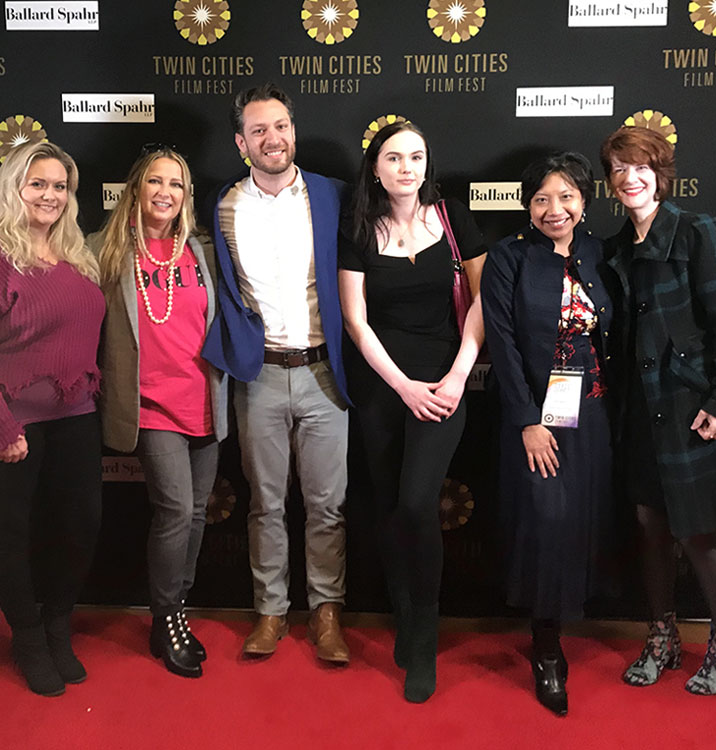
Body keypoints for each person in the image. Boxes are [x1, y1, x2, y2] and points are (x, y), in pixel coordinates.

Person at [600, 126, 716, 696]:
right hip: (640, 414)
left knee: (699, 535)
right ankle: (662, 637)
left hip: (692, 409)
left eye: (641, 167)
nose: (631, 178)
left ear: (660, 174)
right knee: (650, 528)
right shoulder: (617, 248)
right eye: (619, 169)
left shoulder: (699, 232)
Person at [0, 141, 105, 698]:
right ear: (14, 187)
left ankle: (58, 625)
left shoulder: (76, 254)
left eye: (60, 186)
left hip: (76, 414)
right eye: (38, 184)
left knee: (79, 525)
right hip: (11, 422)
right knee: (11, 535)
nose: (50, 195)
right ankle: (28, 637)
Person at [202, 83, 351, 663]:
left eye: (281, 126)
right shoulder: (222, 205)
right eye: (259, 129)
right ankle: (270, 611)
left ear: (294, 131)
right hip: (258, 375)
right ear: (242, 143)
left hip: (324, 372)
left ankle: (327, 611)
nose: (273, 138)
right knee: (265, 503)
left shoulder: (332, 195)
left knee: (327, 504)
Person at [338, 121, 486, 702]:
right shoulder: (358, 226)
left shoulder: (452, 218)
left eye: (417, 156)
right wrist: (402, 387)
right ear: (375, 168)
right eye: (394, 158)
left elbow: (481, 302)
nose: (407, 167)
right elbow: (356, 320)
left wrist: (458, 376)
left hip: (445, 382)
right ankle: (403, 616)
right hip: (382, 385)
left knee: (419, 504)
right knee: (388, 508)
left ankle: (423, 640)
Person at [481, 153, 615, 716]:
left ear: (584, 201)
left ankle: (569, 624)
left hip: (594, 409)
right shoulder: (508, 257)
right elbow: (503, 341)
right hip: (539, 413)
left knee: (582, 519)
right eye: (541, 199)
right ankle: (546, 648)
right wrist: (527, 421)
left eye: (566, 197)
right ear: (527, 205)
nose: (553, 209)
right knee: (547, 520)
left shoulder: (600, 253)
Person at [94, 146, 228, 679]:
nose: (165, 192)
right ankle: (166, 615)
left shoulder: (201, 250)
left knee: (195, 512)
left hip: (205, 400)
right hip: (149, 405)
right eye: (155, 181)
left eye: (176, 184)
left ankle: (178, 606)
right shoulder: (105, 251)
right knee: (173, 510)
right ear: (136, 188)